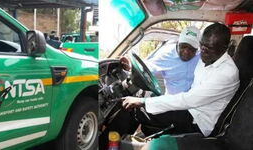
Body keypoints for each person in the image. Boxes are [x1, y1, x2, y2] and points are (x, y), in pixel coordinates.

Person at [100, 23, 240, 149]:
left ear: (224, 48)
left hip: (198, 120)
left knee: (133, 109)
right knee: (140, 100)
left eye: (207, 49)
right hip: (190, 109)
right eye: (201, 46)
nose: (202, 52)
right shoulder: (207, 57)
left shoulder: (226, 73)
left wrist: (143, 102)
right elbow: (151, 66)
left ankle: (104, 146)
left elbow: (189, 100)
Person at [145, 26, 201, 94]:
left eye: (191, 49)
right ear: (177, 43)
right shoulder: (164, 54)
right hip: (172, 101)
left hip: (194, 100)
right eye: (183, 46)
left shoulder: (201, 57)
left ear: (196, 50)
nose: (186, 51)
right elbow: (145, 69)